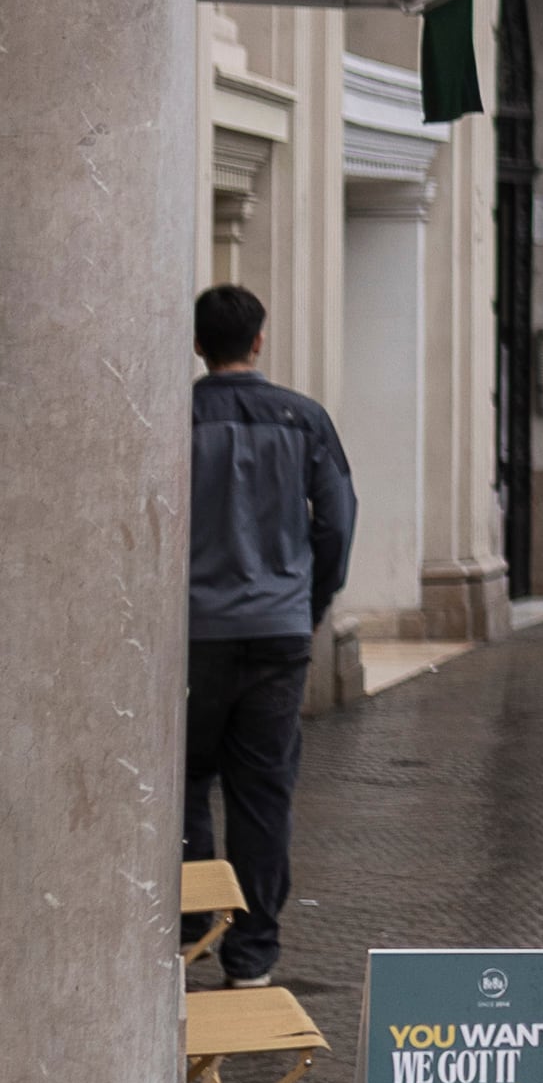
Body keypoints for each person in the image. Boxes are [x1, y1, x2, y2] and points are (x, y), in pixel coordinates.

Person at [187, 284, 354, 989]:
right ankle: (252, 952)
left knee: (182, 782)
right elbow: (338, 520)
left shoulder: (174, 416)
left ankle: (190, 926)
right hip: (278, 632)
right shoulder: (304, 418)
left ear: (197, 343)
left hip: (192, 632)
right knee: (263, 792)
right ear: (259, 340)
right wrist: (308, 604)